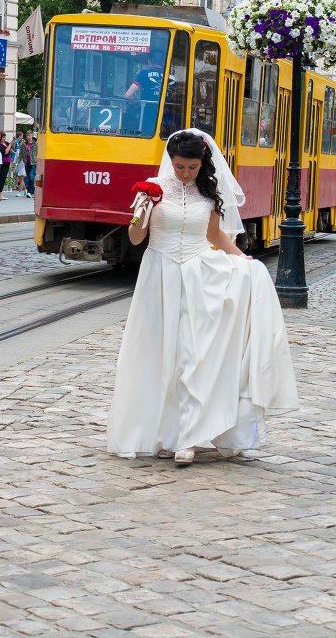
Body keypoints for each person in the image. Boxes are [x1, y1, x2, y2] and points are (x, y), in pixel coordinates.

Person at [107, 129, 298, 466]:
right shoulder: (153, 188)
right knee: (156, 354)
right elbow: (136, 238)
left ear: (202, 164)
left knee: (192, 354)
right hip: (159, 274)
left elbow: (215, 236)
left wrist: (242, 259)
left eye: (192, 168)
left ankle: (189, 436)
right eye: (180, 167)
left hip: (198, 274)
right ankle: (162, 434)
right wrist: (143, 209)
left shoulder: (208, 194)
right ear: (171, 161)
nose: (185, 174)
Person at [0, 132, 14, 201]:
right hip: (3, 162)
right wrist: (10, 145)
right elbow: (5, 152)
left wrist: (13, 142)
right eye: (3, 137)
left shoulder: (6, 143)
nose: (4, 138)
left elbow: (11, 148)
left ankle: (0, 192)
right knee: (2, 178)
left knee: (4, 178)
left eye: (5, 137)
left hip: (8, 162)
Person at [20, 131, 37, 198]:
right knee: (26, 178)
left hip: (34, 162)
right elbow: (21, 154)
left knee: (31, 176)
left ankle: (31, 192)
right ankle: (29, 190)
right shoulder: (24, 144)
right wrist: (17, 162)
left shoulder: (36, 143)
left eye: (29, 135)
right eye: (27, 135)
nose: (28, 136)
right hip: (27, 162)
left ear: (32, 135)